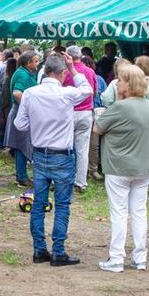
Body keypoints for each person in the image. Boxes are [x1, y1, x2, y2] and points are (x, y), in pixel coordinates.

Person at [13, 52, 92, 262]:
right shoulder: (66, 93)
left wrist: (38, 124)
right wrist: (74, 69)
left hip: (40, 153)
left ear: (44, 70)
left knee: (38, 203)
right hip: (62, 155)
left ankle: (39, 249)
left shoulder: (30, 93)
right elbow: (88, 90)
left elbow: (19, 124)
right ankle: (58, 250)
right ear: (62, 73)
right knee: (62, 204)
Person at [94, 65, 149, 273]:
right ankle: (140, 257)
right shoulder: (148, 105)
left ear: (128, 84)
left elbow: (98, 127)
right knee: (139, 212)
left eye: (120, 80)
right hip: (143, 167)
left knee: (119, 212)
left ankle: (116, 257)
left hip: (118, 167)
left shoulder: (119, 107)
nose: (117, 83)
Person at [64, 46, 98, 192]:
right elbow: (94, 92)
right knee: (82, 150)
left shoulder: (65, 72)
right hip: (85, 112)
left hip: (69, 112)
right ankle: (81, 182)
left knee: (65, 148)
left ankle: (64, 179)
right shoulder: (90, 72)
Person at [6, 51, 40, 187]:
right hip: (20, 114)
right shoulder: (22, 74)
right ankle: (22, 177)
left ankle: (21, 175)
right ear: (28, 63)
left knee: (23, 145)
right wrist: (29, 107)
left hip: (21, 113)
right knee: (21, 146)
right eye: (36, 61)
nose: (38, 64)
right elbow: (16, 93)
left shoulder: (25, 73)